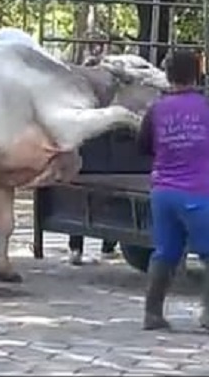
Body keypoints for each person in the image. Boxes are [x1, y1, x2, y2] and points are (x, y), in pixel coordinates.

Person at [137, 50, 209, 334]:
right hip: (196, 192)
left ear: (168, 76)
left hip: (162, 192)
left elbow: (143, 146)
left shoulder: (155, 109)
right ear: (197, 74)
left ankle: (152, 313)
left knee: (166, 251)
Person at [67, 40, 119, 265]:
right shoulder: (108, 92)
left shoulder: (78, 95)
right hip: (103, 154)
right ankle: (105, 246)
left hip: (87, 152)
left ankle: (76, 248)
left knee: (82, 198)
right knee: (106, 199)